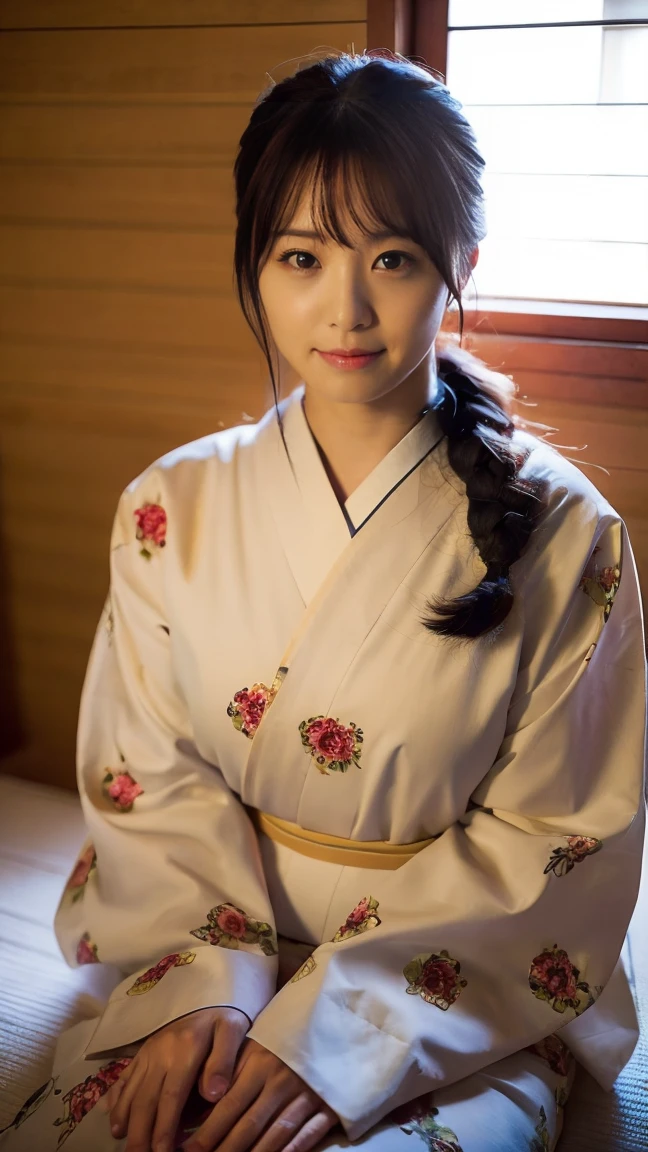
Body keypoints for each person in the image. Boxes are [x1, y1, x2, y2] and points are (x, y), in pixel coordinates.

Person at [1, 48, 645, 1152]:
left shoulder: (568, 533)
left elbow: (558, 838)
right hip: (206, 951)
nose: (344, 307)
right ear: (254, 265)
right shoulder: (175, 504)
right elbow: (145, 777)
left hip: (438, 998)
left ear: (462, 265)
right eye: (300, 255)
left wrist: (342, 1033)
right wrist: (205, 992)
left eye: (392, 258)